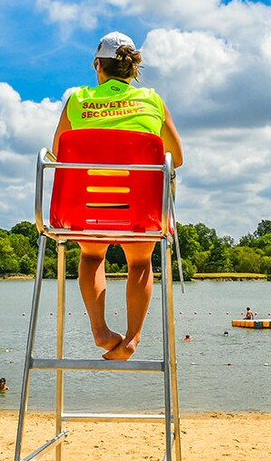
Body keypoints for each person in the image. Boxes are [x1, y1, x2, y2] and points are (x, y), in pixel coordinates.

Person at [51, 31, 184, 361]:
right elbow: (176, 158)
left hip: (86, 210)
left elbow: (57, 153)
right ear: (132, 69)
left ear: (98, 65)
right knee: (139, 261)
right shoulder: (152, 100)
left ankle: (100, 330)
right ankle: (132, 338)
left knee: (92, 256)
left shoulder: (77, 100)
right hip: (139, 212)